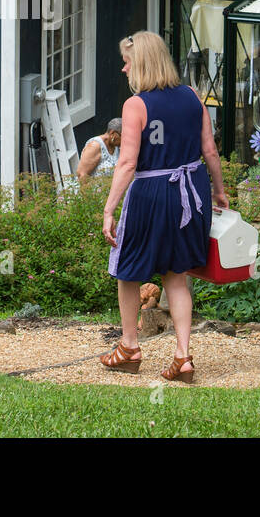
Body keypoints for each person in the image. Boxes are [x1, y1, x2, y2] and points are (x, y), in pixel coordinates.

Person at [99, 31, 228, 383]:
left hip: (152, 192)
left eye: (127, 62)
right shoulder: (191, 97)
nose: (124, 70)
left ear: (141, 62)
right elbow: (210, 151)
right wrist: (218, 191)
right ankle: (183, 357)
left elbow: (127, 164)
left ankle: (129, 347)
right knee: (177, 275)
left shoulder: (136, 105)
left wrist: (109, 209)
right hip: (191, 191)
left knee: (128, 271)